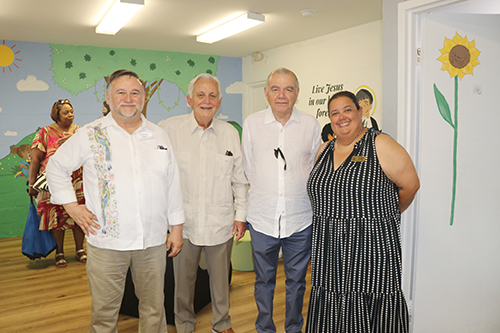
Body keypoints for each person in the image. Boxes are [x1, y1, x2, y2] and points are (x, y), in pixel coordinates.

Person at [46, 69, 185, 333]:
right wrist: (73, 208)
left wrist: (176, 227)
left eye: (135, 92)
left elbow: (173, 182)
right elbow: (56, 167)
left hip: (153, 241)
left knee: (154, 308)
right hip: (107, 241)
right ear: (109, 98)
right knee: (105, 311)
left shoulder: (158, 135)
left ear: (143, 98)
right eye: (120, 92)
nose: (128, 98)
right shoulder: (90, 134)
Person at [305, 91, 420, 333]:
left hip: (370, 249)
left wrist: (382, 215)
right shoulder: (323, 150)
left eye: (347, 110)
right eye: (334, 113)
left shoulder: (380, 144)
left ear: (359, 112)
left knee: (369, 304)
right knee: (332, 302)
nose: (341, 117)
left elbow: (410, 185)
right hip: (329, 249)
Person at [161, 73, 248, 333]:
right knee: (183, 282)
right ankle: (184, 325)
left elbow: (239, 179)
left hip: (219, 222)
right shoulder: (169, 129)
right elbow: (159, 175)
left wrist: (241, 215)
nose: (206, 101)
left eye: (212, 96)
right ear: (189, 99)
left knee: (220, 281)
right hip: (182, 225)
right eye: (201, 95)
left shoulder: (230, 133)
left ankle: (222, 324)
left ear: (219, 102)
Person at [241, 67, 321, 333]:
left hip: (300, 218)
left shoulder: (310, 125)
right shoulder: (252, 123)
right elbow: (249, 167)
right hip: (263, 217)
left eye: (288, 89)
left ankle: (294, 328)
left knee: (297, 282)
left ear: (297, 93)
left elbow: (314, 167)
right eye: (275, 89)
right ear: (266, 92)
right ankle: (265, 328)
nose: (282, 95)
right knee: (263, 280)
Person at [28, 98, 86, 268]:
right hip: (51, 183)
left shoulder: (81, 132)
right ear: (56, 115)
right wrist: (32, 184)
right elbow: (35, 160)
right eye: (66, 112)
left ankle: (80, 249)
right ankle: (59, 252)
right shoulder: (44, 133)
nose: (70, 115)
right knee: (55, 217)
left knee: (80, 216)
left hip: (78, 183)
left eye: (72, 111)